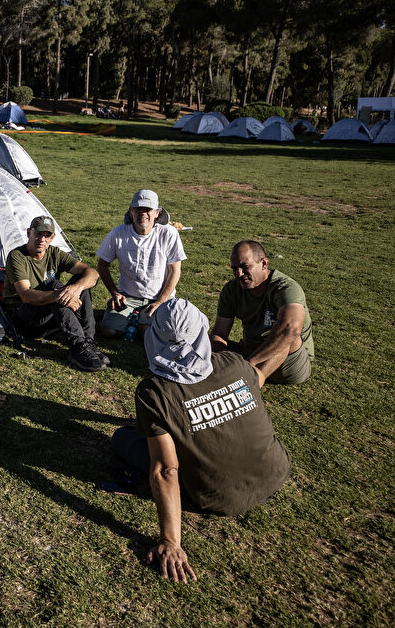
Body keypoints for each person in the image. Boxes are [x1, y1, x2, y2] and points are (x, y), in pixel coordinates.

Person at [110, 298, 291, 582]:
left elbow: (166, 470)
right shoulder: (233, 362)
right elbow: (256, 379)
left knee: (123, 438)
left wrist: (171, 542)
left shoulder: (154, 392)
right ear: (201, 332)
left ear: (155, 337)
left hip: (220, 498)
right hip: (275, 474)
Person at [3, 216, 109, 372]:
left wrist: (76, 289)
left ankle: (87, 342)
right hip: (24, 318)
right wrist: (60, 295)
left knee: (81, 279)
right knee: (56, 286)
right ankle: (77, 346)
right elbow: (25, 295)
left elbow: (92, 273)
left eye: (47, 235)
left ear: (52, 237)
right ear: (28, 233)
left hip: (49, 312)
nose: (42, 239)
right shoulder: (17, 256)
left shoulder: (55, 253)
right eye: (38, 234)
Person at [210, 240, 314, 385]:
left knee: (286, 334)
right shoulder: (232, 290)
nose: (239, 274)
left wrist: (249, 363)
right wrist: (216, 357)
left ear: (264, 264)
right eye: (234, 268)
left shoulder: (285, 288)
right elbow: (220, 333)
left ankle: (253, 382)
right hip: (251, 352)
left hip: (290, 363)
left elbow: (291, 330)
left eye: (245, 267)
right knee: (203, 340)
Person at [96, 190, 187, 339]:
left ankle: (139, 321)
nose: (143, 214)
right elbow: (102, 264)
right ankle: (134, 319)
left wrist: (159, 302)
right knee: (109, 331)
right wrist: (115, 293)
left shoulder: (169, 233)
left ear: (157, 213)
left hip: (159, 297)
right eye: (138, 209)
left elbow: (174, 271)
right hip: (128, 296)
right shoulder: (118, 233)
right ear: (131, 211)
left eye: (148, 210)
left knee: (149, 332)